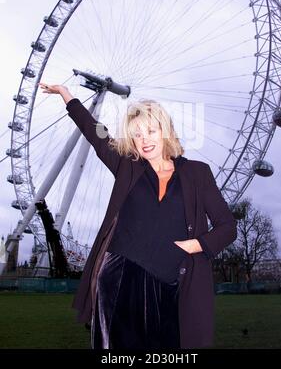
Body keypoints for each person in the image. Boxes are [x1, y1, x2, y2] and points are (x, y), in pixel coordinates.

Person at [38, 82, 237, 349]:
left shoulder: (197, 174)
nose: (144, 141)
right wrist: (67, 96)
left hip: (172, 282)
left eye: (150, 131)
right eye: (136, 135)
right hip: (119, 277)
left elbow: (227, 226)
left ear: (165, 130)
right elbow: (95, 131)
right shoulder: (127, 166)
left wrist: (198, 245)